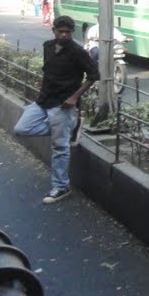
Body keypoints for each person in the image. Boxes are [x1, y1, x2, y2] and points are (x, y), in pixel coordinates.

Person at [13, 15, 99, 204]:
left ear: (72, 32)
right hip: (43, 100)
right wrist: (41, 90)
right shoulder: (48, 46)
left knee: (59, 147)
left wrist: (74, 97)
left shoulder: (78, 51)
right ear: (54, 30)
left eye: (68, 32)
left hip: (62, 104)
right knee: (21, 129)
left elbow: (94, 75)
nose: (64, 35)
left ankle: (61, 186)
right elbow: (47, 70)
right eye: (60, 31)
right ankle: (71, 128)